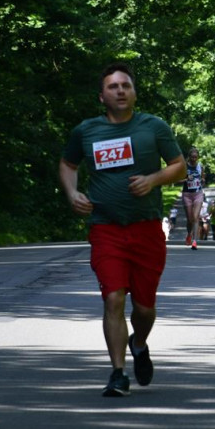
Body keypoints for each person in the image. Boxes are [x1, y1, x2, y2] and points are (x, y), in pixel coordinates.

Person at [60, 63, 186, 397]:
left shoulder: (153, 127)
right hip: (106, 228)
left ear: (133, 92)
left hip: (145, 229)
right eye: (113, 86)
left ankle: (139, 342)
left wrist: (152, 179)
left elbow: (179, 167)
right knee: (113, 298)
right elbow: (68, 164)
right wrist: (72, 193)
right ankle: (117, 373)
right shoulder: (86, 131)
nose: (120, 90)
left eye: (125, 85)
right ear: (102, 96)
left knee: (144, 308)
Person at [180, 147, 204, 250]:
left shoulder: (200, 166)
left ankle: (194, 241)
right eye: (192, 157)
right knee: (190, 219)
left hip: (198, 193)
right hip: (187, 194)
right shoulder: (184, 166)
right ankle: (189, 234)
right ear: (189, 157)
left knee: (195, 217)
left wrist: (202, 179)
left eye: (196, 157)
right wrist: (186, 179)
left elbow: (203, 177)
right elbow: (177, 180)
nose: (194, 159)